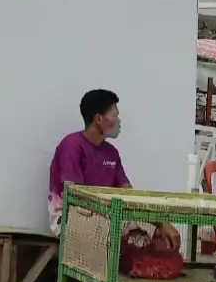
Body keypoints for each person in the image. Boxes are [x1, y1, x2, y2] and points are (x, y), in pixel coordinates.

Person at [48, 89, 180, 250]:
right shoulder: (72, 146)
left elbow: (128, 193)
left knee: (157, 236)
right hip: (69, 217)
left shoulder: (111, 152)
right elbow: (76, 196)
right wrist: (114, 215)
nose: (119, 121)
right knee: (118, 231)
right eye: (114, 115)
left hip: (107, 216)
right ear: (98, 118)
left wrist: (161, 223)